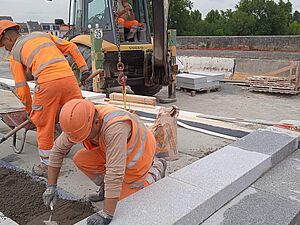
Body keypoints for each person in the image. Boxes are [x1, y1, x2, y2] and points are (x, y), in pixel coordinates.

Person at [43, 99, 167, 225]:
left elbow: (114, 173)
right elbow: (57, 151)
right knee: (81, 159)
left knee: (125, 202)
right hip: (111, 149)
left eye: (84, 136)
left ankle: (156, 168)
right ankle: (107, 190)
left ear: (96, 123)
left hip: (138, 154)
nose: (81, 140)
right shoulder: (81, 119)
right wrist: (51, 187)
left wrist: (107, 213)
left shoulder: (115, 127)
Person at [0, 20, 90, 177]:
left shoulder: (15, 54)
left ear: (7, 39)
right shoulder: (43, 35)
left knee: (44, 124)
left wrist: (31, 112)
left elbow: (22, 89)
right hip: (69, 79)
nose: (5, 49)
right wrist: (84, 68)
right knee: (82, 117)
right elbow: (72, 47)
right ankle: (98, 153)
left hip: (48, 84)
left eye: (3, 46)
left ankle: (47, 167)